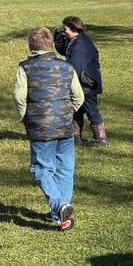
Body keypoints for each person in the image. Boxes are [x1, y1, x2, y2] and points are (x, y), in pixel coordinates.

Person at [13, 26, 84, 232]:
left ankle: (59, 206)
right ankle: (60, 214)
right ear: (53, 45)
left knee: (41, 168)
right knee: (65, 168)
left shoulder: (25, 67)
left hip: (39, 127)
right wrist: (68, 112)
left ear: (30, 47)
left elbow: (19, 96)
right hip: (64, 125)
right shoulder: (67, 66)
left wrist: (25, 116)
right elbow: (78, 96)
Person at [54, 16, 107, 146]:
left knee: (91, 109)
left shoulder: (82, 45)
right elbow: (63, 51)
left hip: (87, 83)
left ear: (73, 28)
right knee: (77, 109)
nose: (63, 30)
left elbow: (75, 66)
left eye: (65, 28)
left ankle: (101, 139)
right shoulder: (75, 40)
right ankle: (75, 136)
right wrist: (57, 38)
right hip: (80, 81)